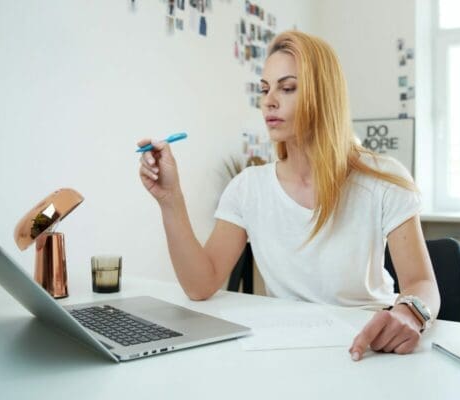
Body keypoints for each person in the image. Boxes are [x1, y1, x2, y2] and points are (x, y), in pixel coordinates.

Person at [138, 30, 440, 361]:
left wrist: (409, 312)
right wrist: (171, 200)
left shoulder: (384, 179)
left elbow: (422, 282)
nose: (269, 101)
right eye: (265, 89)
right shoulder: (247, 188)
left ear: (323, 95)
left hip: (370, 348)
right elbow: (200, 285)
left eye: (287, 88)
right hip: (288, 350)